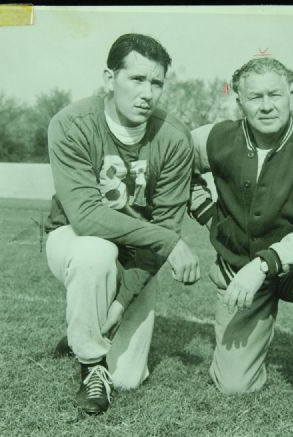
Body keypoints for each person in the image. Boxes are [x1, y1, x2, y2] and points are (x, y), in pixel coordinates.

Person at [46, 33, 200, 415]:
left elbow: (162, 229)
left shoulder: (175, 138)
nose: (147, 93)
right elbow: (86, 216)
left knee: (129, 378)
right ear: (109, 78)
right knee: (96, 251)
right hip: (73, 239)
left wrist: (120, 302)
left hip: (138, 254)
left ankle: (86, 328)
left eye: (156, 83)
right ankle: (91, 367)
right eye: (137, 79)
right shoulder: (72, 123)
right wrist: (169, 241)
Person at [189, 57, 293, 417]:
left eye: (275, 94)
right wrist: (206, 211)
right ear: (239, 102)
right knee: (233, 385)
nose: (266, 105)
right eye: (255, 97)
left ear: (291, 95)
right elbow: (171, 161)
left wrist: (265, 263)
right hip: (238, 267)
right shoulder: (215, 137)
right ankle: (255, 336)